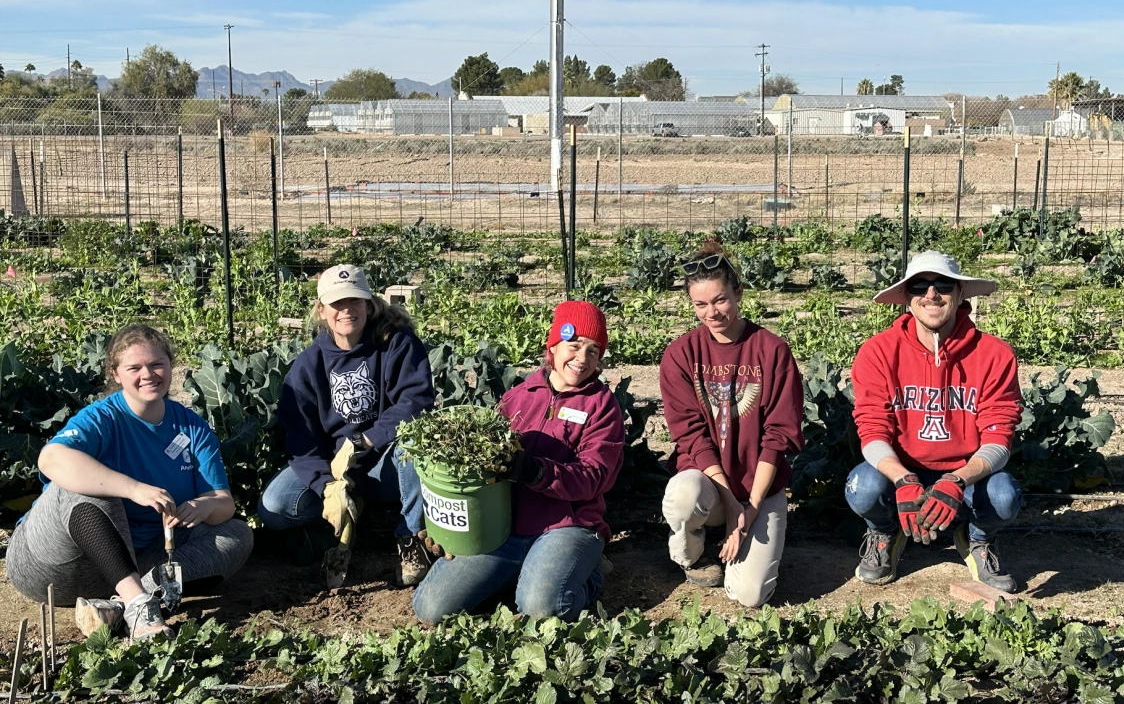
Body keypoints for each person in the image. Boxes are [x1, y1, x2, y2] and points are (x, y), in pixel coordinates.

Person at [6, 325, 253, 643]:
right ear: (116, 374)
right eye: (134, 367)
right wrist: (132, 488)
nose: (148, 374)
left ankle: (124, 603)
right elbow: (51, 460)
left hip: (138, 563)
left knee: (237, 534)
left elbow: (223, 503)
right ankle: (137, 606)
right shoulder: (102, 419)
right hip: (54, 565)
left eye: (156, 364)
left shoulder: (192, 428)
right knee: (85, 485)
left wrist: (204, 505)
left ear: (170, 365)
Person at [412, 301, 625, 625]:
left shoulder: (602, 406)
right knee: (430, 608)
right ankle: (526, 574)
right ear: (553, 346)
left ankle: (588, 574)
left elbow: (595, 476)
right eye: (575, 345)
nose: (583, 359)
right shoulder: (518, 397)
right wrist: (453, 525)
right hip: (503, 527)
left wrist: (537, 471)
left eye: (594, 351)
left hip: (567, 526)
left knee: (543, 610)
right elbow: (476, 469)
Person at [846, 250, 1023, 593]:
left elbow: (999, 439)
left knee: (1004, 496)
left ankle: (977, 539)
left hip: (966, 475)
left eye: (943, 285)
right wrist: (902, 480)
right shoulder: (878, 352)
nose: (931, 294)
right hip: (901, 471)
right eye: (919, 287)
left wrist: (957, 480)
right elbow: (871, 430)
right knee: (863, 487)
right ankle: (885, 534)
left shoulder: (994, 355)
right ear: (907, 299)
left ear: (959, 295)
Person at [258, 264, 435, 586]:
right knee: (275, 508)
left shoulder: (396, 344)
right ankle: (348, 509)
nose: (346, 310)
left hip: (386, 462)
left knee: (413, 443)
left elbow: (415, 402)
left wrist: (364, 440)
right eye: (337, 303)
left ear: (368, 304)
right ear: (321, 310)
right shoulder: (307, 366)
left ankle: (411, 537)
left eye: (354, 300)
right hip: (336, 467)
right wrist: (327, 485)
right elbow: (301, 439)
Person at [659, 240, 804, 608]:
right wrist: (730, 505)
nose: (712, 312)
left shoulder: (771, 350)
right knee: (682, 497)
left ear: (738, 292)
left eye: (720, 300)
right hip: (710, 484)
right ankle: (694, 554)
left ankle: (738, 543)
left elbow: (778, 435)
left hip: (759, 487)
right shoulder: (681, 354)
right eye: (700, 304)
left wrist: (750, 509)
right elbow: (691, 435)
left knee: (750, 596)